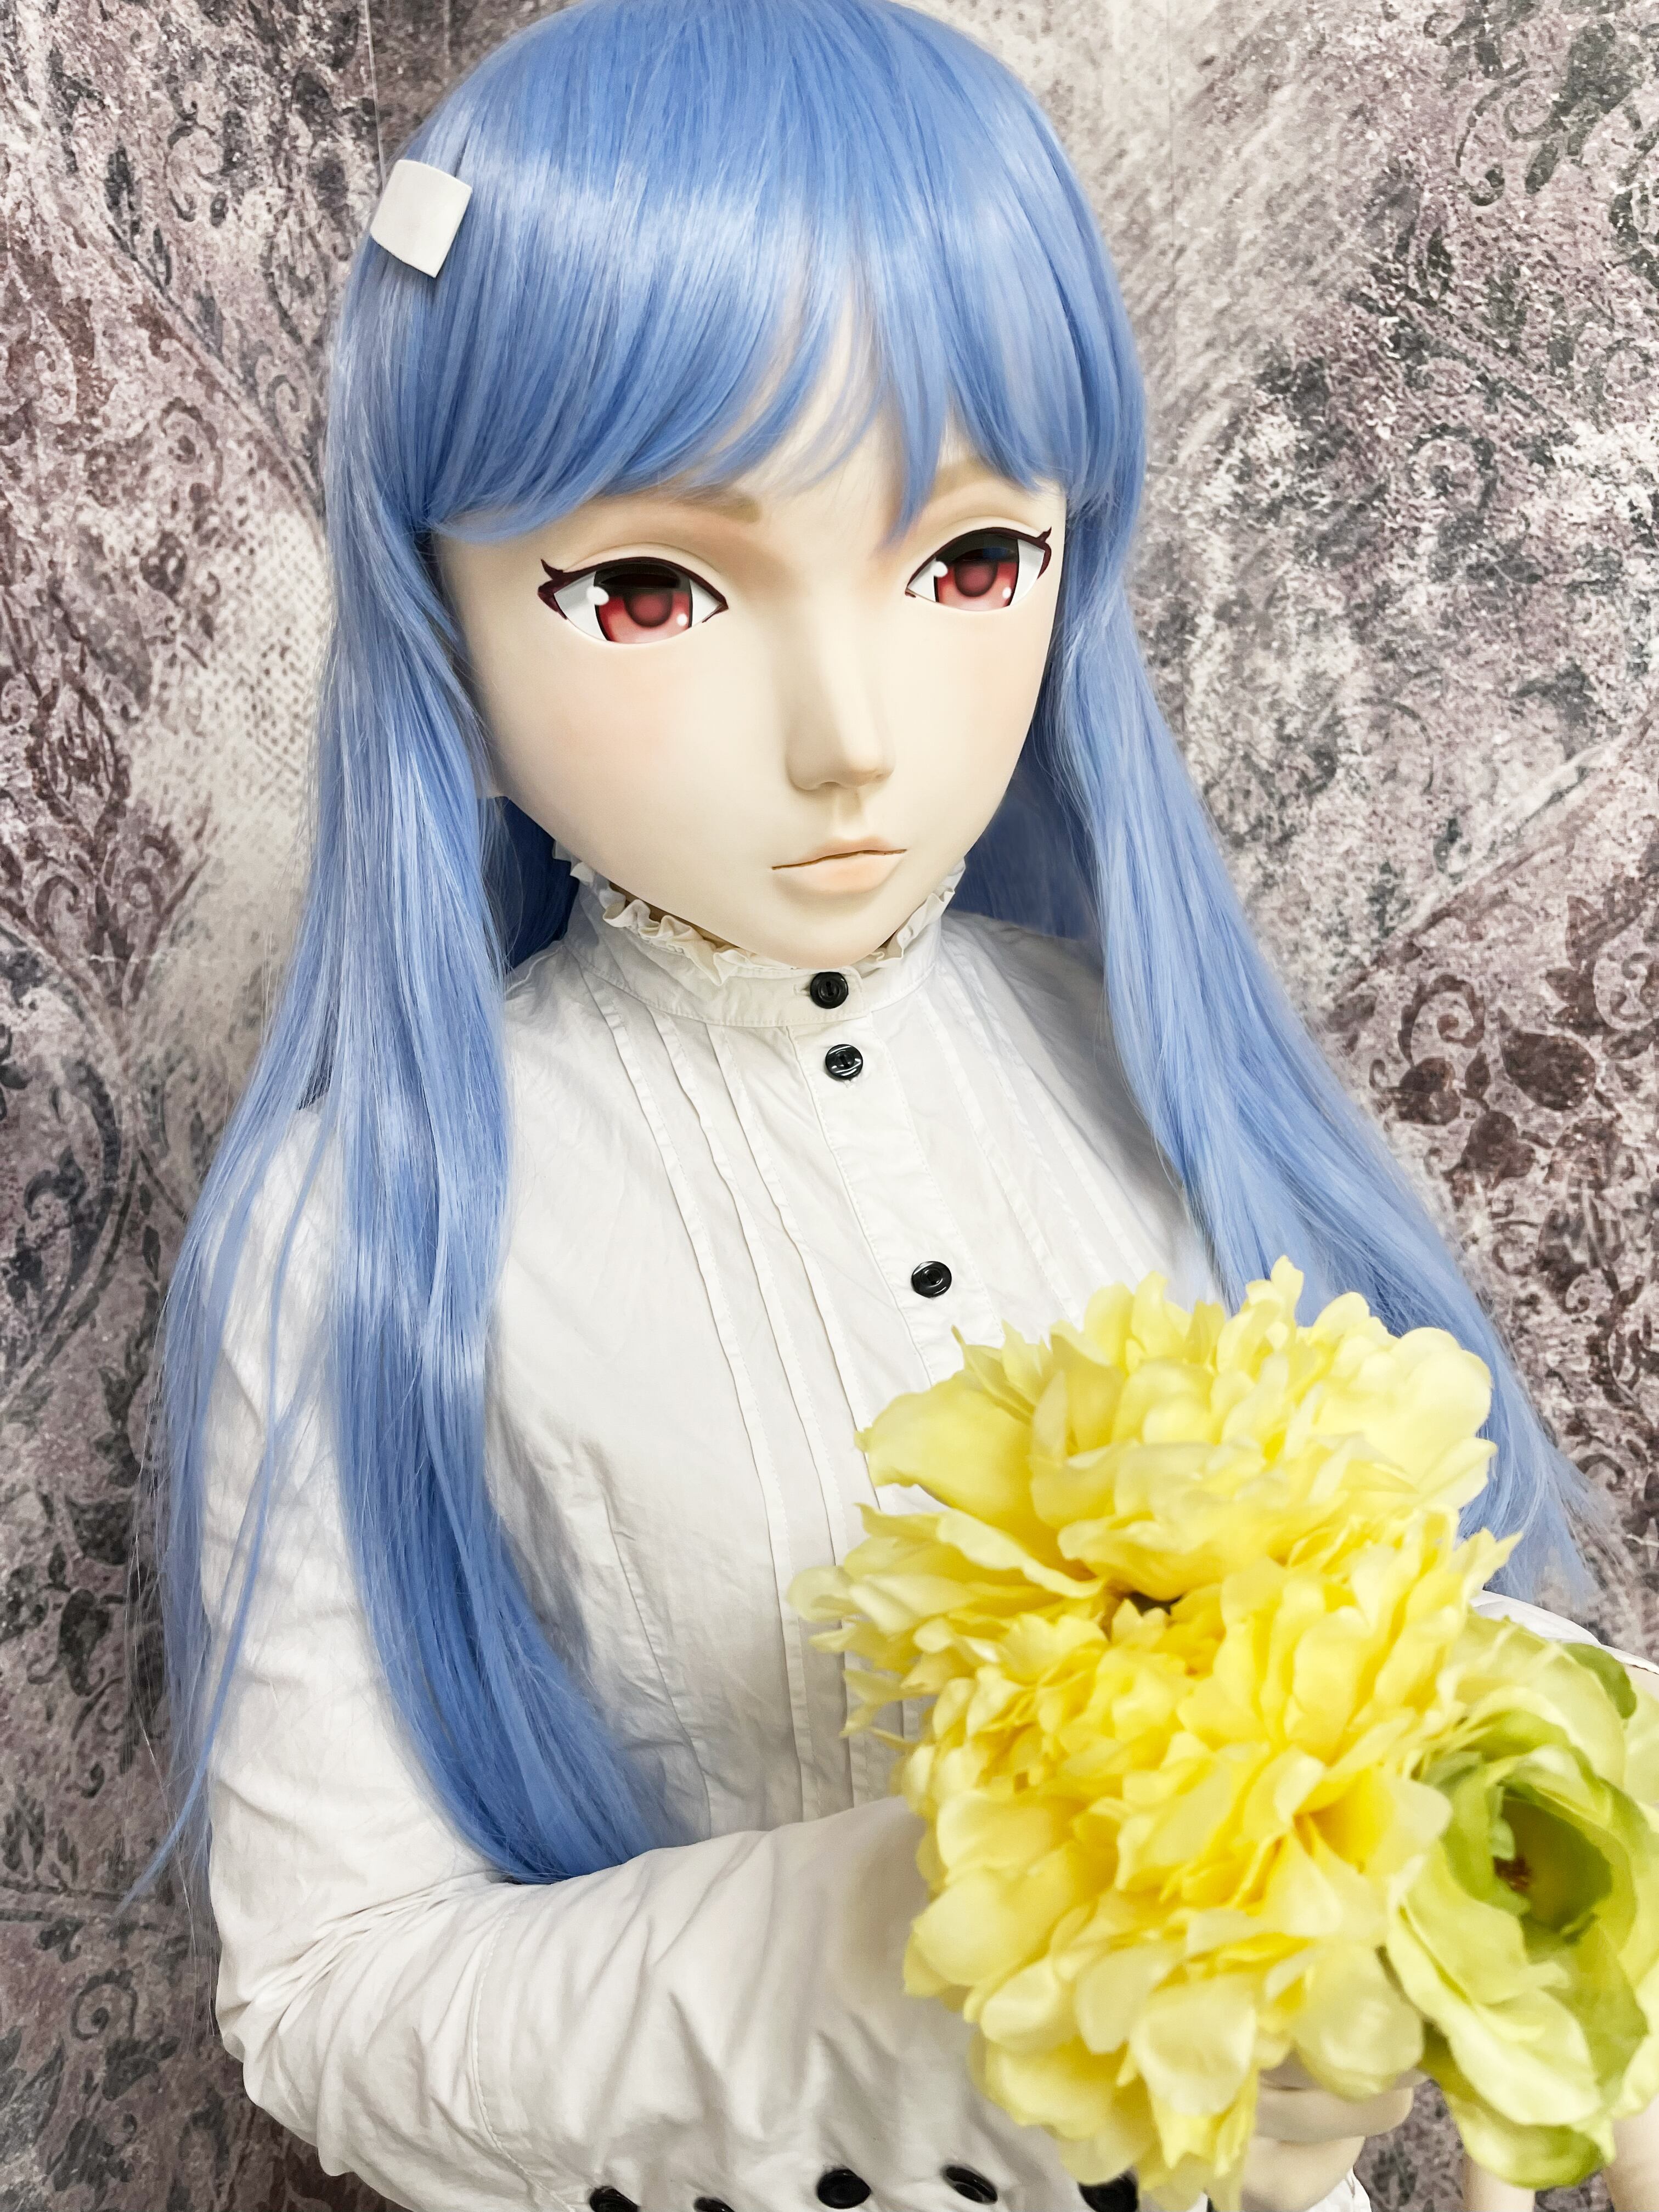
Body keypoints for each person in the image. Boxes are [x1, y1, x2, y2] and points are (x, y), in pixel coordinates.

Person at [140, 2, 1646, 2207]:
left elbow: (1417, 1638)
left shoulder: (1155, 1072)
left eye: (968, 565)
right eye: (649, 587)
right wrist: (946, 1947)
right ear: (438, 618)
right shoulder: (370, 1226)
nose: (848, 731)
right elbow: (334, 1990)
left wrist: (1567, 1911)